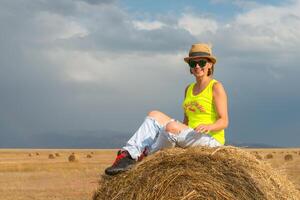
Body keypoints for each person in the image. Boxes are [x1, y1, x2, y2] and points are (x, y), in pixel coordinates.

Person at [105, 43, 229, 176]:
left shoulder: (215, 87)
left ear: (210, 64)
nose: (197, 66)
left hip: (210, 140)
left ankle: (147, 159)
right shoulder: (189, 89)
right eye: (193, 64)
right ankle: (128, 155)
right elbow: (186, 121)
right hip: (191, 135)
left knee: (171, 127)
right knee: (154, 114)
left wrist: (208, 126)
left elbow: (224, 121)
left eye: (201, 62)